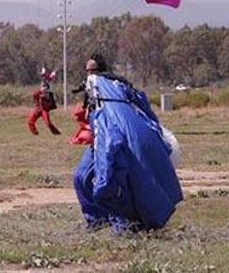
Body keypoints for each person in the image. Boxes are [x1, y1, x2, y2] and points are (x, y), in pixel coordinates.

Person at [73, 54, 182, 232]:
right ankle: (97, 219)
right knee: (81, 178)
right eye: (87, 71)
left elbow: (143, 106)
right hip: (102, 140)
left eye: (93, 71)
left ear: (100, 71)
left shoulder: (116, 88)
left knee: (118, 180)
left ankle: (127, 222)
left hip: (116, 138)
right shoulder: (95, 92)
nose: (89, 75)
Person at [27, 69, 61, 136]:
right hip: (38, 108)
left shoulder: (47, 85)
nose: (42, 76)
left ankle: (56, 133)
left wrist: (53, 74)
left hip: (44, 109)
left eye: (43, 75)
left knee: (48, 123)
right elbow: (35, 95)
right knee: (30, 121)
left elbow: (49, 80)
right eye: (42, 75)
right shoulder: (42, 85)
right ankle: (35, 133)